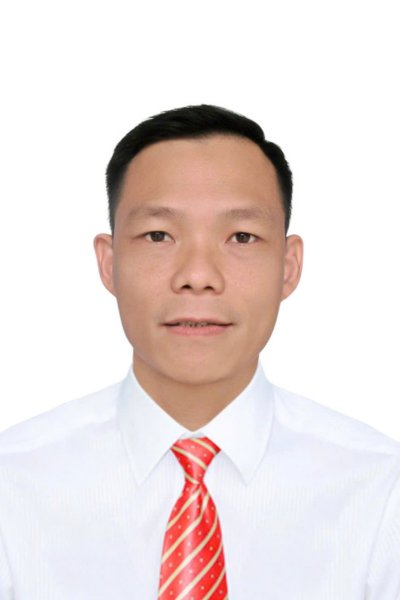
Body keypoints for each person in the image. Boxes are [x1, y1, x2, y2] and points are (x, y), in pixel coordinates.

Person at [0, 104, 399, 599]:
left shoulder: (381, 490)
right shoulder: (12, 483)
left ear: (289, 266)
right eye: (159, 235)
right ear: (108, 262)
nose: (198, 275)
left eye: (242, 236)